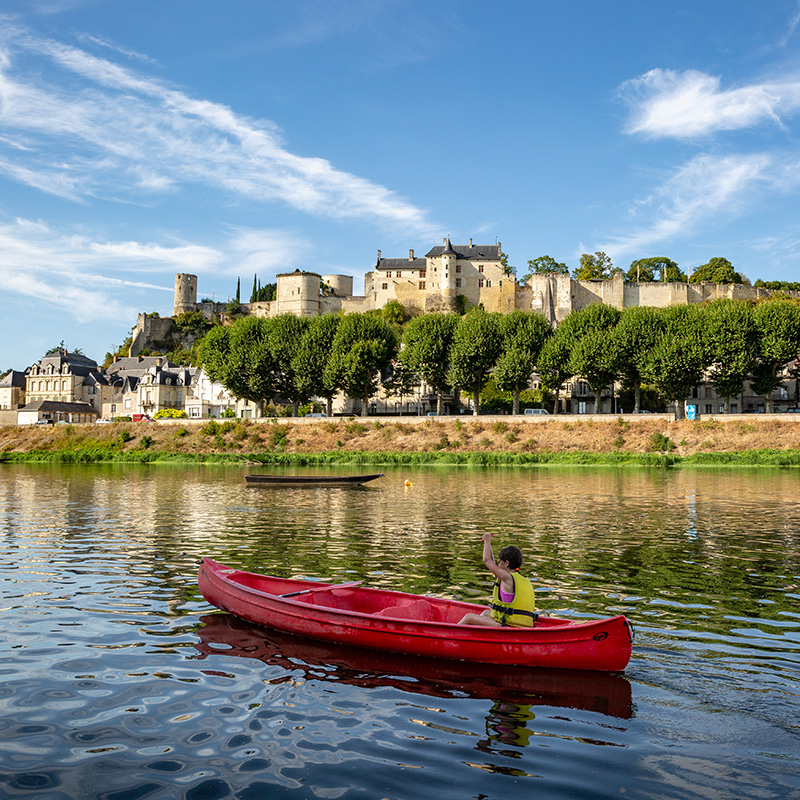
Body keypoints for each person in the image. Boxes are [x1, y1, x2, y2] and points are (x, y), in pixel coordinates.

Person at [458, 533, 537, 627]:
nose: (498, 566)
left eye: (500, 563)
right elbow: (490, 561)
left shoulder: (507, 577)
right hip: (514, 622)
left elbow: (487, 560)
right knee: (486, 613)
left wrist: (487, 541)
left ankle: (449, 634)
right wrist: (488, 545)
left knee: (469, 617)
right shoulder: (518, 578)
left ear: (506, 563)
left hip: (508, 625)